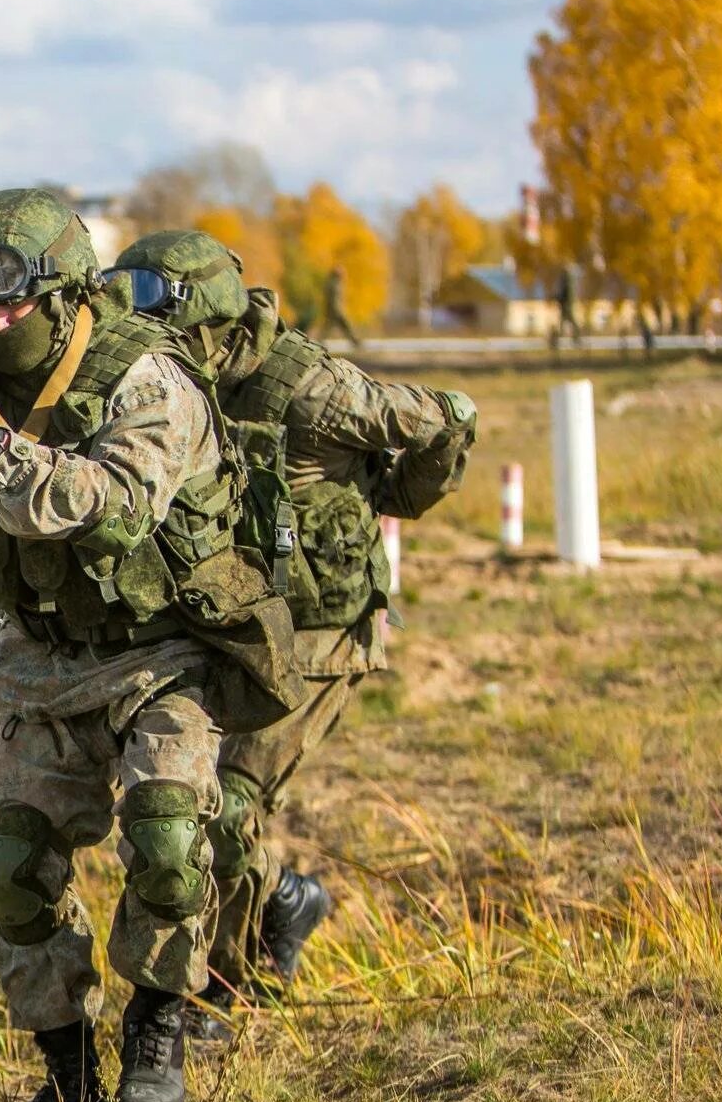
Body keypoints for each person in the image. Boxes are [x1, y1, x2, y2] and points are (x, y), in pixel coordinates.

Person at [0, 190, 302, 1102]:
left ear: (61, 291)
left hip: (160, 650)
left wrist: (2, 450)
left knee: (172, 840)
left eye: (4, 291)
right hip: (39, 657)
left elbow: (116, 504)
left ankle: (157, 1026)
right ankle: (64, 1076)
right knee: (13, 867)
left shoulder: (144, 376)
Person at [108, 231, 476, 1024]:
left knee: (231, 807)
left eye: (148, 299)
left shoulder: (310, 387)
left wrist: (397, 496)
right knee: (189, 804)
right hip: (231, 621)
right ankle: (287, 899)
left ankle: (220, 990)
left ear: (200, 310)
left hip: (317, 632)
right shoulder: (162, 384)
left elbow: (442, 421)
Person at [311, 265, 360, 348]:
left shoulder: (332, 283)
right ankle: (355, 341)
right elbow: (335, 300)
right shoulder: (335, 284)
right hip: (336, 310)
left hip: (332, 310)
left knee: (330, 327)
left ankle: (354, 341)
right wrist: (338, 311)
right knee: (341, 326)